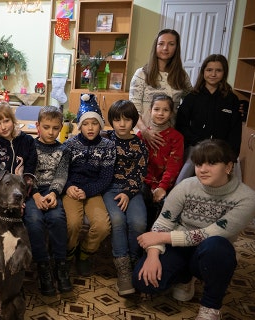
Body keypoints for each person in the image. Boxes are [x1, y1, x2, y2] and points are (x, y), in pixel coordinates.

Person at [133, 139, 255, 320]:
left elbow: (210, 233)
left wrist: (162, 238)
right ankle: (185, 277)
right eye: (199, 164)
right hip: (179, 246)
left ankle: (211, 305)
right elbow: (163, 222)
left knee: (217, 247)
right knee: (142, 281)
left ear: (229, 167)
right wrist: (153, 255)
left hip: (210, 249)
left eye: (212, 163)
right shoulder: (185, 186)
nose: (203, 169)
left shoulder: (247, 198)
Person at [62, 94, 115, 276]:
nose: (90, 127)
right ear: (80, 126)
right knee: (73, 224)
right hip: (71, 190)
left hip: (93, 191)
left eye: (94, 123)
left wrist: (88, 191)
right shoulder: (70, 144)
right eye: (85, 123)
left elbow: (106, 177)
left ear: (100, 124)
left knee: (102, 226)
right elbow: (61, 171)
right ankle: (68, 254)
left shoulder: (108, 146)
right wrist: (68, 187)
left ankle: (85, 252)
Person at [101, 100, 148, 296]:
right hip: (109, 188)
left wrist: (128, 193)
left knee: (138, 222)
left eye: (127, 120)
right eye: (117, 119)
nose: (122, 124)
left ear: (134, 121)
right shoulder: (104, 140)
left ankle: (133, 261)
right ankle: (123, 270)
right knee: (118, 220)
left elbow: (140, 174)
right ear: (111, 121)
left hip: (132, 190)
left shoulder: (140, 145)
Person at [23, 106, 71, 296]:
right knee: (34, 222)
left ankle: (60, 265)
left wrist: (53, 193)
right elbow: (27, 173)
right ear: (37, 126)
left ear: (60, 128)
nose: (51, 132)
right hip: (32, 192)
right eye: (46, 127)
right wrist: (34, 193)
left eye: (55, 128)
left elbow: (61, 175)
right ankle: (42, 266)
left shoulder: (64, 149)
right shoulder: (30, 146)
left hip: (52, 192)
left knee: (57, 219)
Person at [175, 54, 242, 184]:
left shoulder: (231, 99)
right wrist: (196, 142)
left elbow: (235, 130)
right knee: (182, 182)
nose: (213, 74)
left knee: (228, 183)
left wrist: (232, 155)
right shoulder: (192, 97)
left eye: (218, 70)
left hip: (222, 151)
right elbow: (181, 125)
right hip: (196, 148)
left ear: (224, 72)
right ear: (203, 72)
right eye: (209, 70)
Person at [0, 101, 37, 235]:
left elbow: (29, 172)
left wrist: (22, 197)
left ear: (13, 119)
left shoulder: (27, 141)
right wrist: (3, 198)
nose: (3, 127)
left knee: (28, 221)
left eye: (6, 121)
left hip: (20, 192)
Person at [129, 29, 191, 149]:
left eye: (171, 44)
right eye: (161, 43)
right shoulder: (141, 74)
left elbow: (193, 100)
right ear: (155, 46)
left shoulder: (182, 76)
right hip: (145, 135)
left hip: (170, 137)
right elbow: (133, 108)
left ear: (176, 48)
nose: (165, 48)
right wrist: (145, 131)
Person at [138, 94, 184, 228]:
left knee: (164, 207)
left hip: (165, 184)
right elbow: (137, 164)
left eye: (165, 110)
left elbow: (173, 166)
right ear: (150, 110)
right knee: (142, 197)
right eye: (157, 109)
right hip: (143, 182)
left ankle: (152, 237)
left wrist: (162, 187)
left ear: (171, 113)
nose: (160, 113)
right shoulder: (141, 136)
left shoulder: (176, 138)